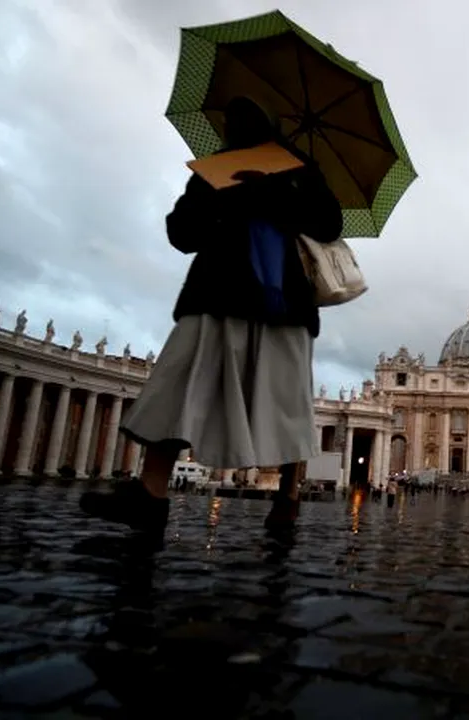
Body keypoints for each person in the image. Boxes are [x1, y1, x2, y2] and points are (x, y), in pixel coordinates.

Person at [80, 96, 342, 534]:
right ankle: (151, 493)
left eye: (241, 117)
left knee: (285, 402)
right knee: (178, 386)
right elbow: (182, 233)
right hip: (218, 293)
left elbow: (329, 224)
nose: (231, 125)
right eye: (228, 118)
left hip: (282, 301)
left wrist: (270, 194)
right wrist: (217, 198)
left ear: (266, 121)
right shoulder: (216, 167)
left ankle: (288, 494)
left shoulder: (301, 168)